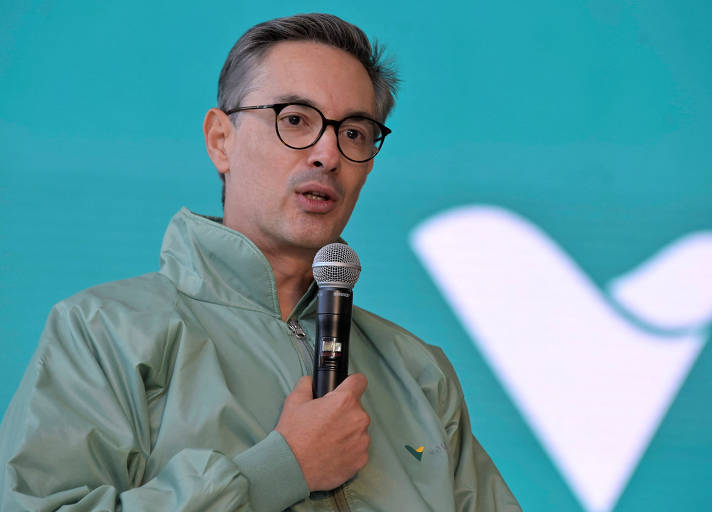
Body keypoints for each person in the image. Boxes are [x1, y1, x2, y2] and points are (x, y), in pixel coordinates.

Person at [0, 13, 522, 512]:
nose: (328, 154)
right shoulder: (104, 332)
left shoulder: (418, 372)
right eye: (295, 120)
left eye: (355, 132)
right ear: (220, 141)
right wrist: (281, 468)